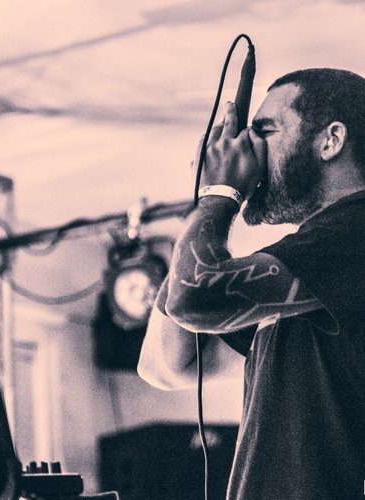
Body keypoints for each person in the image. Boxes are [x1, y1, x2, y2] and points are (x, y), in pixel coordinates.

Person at [137, 68, 365, 500]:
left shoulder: (354, 233)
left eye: (265, 131)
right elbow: (168, 364)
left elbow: (192, 297)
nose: (248, 148)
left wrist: (219, 195)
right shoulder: (307, 272)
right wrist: (204, 204)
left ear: (331, 140)